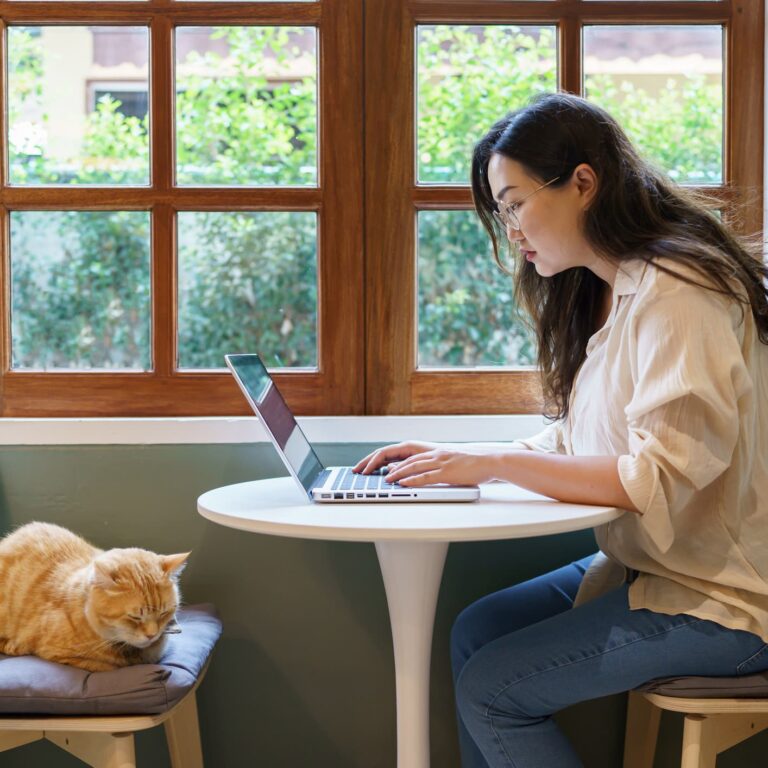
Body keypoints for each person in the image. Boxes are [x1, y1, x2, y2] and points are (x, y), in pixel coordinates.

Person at [352, 92, 768, 767]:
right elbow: (580, 439)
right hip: (655, 568)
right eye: (502, 211)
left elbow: (657, 477)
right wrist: (463, 456)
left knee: (492, 691)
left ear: (583, 183)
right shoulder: (609, 291)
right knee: (476, 631)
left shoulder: (680, 291)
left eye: (515, 203)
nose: (510, 228)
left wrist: (494, 467)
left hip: (729, 601)